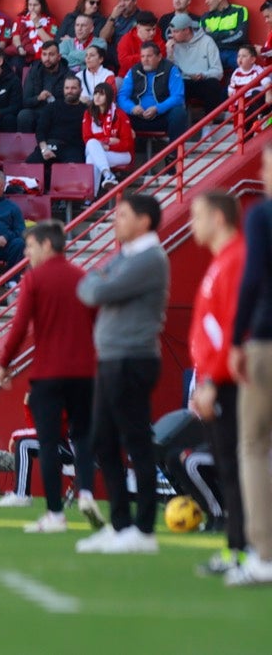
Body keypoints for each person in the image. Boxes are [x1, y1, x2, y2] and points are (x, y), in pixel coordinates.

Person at [75, 193, 169, 554]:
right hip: (113, 358)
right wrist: (97, 281)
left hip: (132, 358)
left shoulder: (149, 258)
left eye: (123, 214)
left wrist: (98, 281)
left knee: (135, 441)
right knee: (103, 440)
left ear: (144, 220)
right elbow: (89, 284)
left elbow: (97, 290)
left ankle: (143, 529)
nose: (116, 220)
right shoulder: (128, 255)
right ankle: (121, 524)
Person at [187, 191, 248, 575]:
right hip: (215, 380)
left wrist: (213, 379)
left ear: (219, 218)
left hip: (228, 382)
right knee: (229, 469)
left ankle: (244, 551)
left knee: (238, 468)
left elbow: (234, 329)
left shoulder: (236, 260)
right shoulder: (221, 261)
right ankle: (236, 549)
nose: (191, 223)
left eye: (197, 215)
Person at [231, 145, 272, 585]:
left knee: (255, 445)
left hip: (266, 338)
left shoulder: (262, 215)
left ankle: (264, 554)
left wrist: (234, 338)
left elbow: (254, 275)